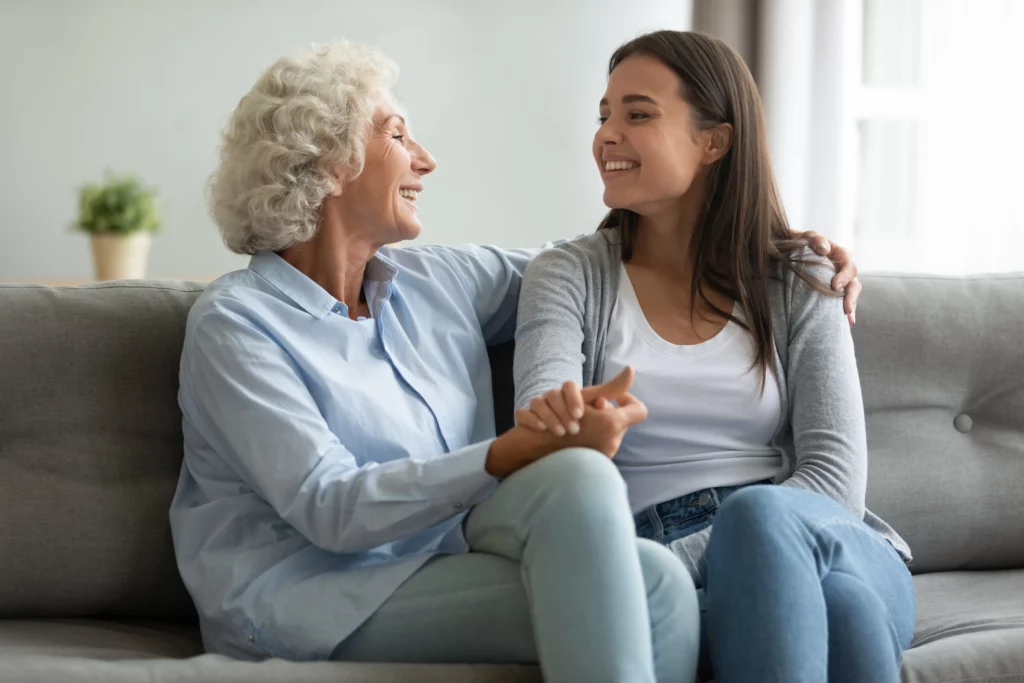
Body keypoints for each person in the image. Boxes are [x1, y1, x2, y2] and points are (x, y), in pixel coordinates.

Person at [169, 41, 859, 682]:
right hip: (310, 592)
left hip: (443, 558)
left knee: (632, 546)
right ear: (328, 162)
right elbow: (329, 508)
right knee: (613, 529)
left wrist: (775, 250)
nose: (425, 159)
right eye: (399, 135)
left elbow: (620, 266)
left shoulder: (439, 281)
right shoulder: (238, 324)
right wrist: (503, 453)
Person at [512, 31, 914, 683]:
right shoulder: (566, 276)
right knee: (841, 610)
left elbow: (836, 479)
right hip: (660, 558)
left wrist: (739, 548)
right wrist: (673, 567)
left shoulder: (799, 277)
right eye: (604, 115)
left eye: (637, 114)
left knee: (773, 530)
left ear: (714, 142)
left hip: (824, 539)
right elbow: (544, 435)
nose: (607, 135)